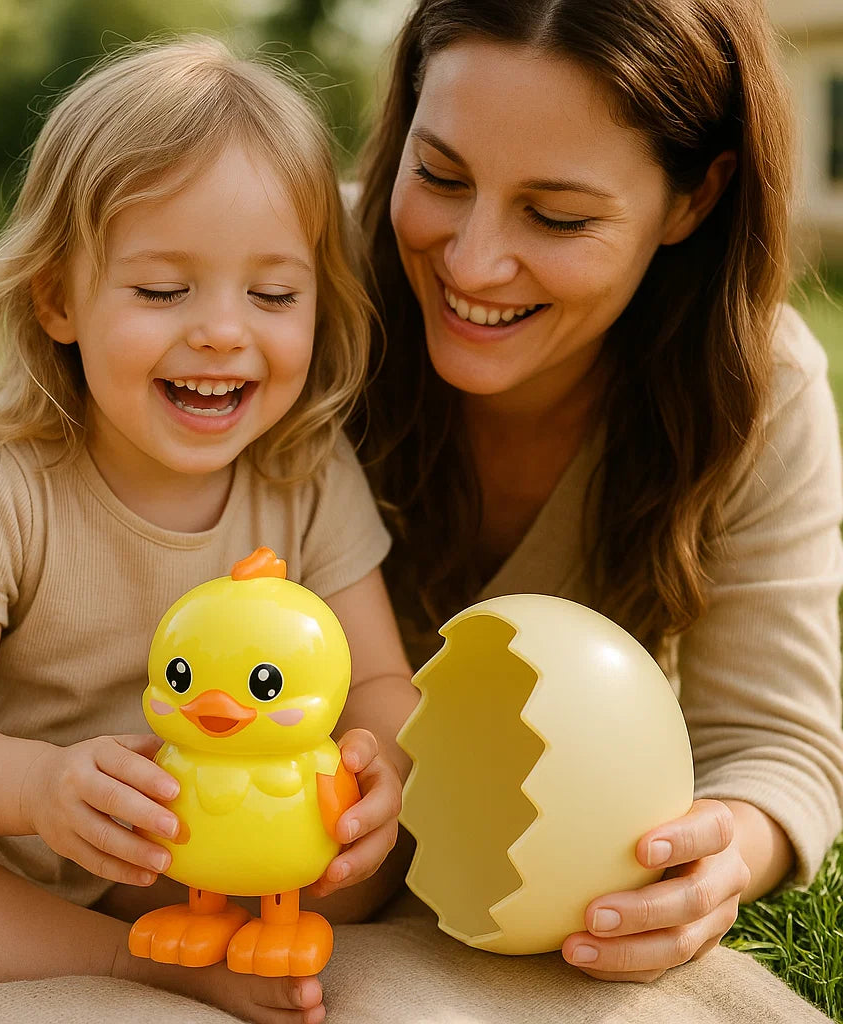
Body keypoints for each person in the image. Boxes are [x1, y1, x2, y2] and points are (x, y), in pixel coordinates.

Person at [0, 37, 416, 1024]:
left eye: (272, 294)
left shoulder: (307, 472)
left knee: (384, 861)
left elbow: (382, 681)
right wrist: (41, 787)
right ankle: (140, 967)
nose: (223, 331)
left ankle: (196, 931)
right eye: (161, 289)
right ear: (58, 296)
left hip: (203, 850)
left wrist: (377, 772)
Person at [355, 0, 843, 985]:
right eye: (439, 175)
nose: (471, 260)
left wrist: (712, 862)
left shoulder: (755, 391)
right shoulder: (276, 294)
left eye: (557, 215)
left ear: (693, 199)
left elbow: (773, 747)